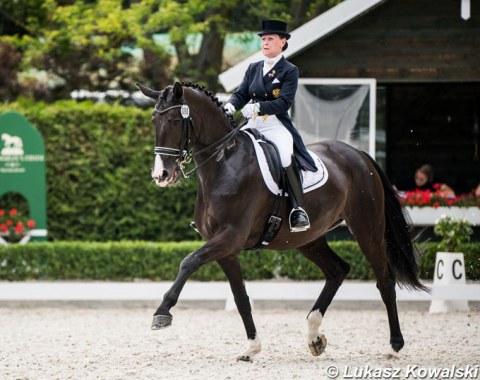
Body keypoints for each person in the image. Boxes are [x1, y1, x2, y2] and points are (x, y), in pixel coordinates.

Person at [224, 20, 317, 232]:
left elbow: (284, 102)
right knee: (229, 151)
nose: (265, 43)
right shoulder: (253, 68)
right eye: (263, 39)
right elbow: (242, 94)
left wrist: (258, 107)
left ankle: (298, 209)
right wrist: (230, 106)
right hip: (252, 123)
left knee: (285, 155)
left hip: (275, 124)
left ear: (283, 42)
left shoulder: (289, 70)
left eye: (270, 39)